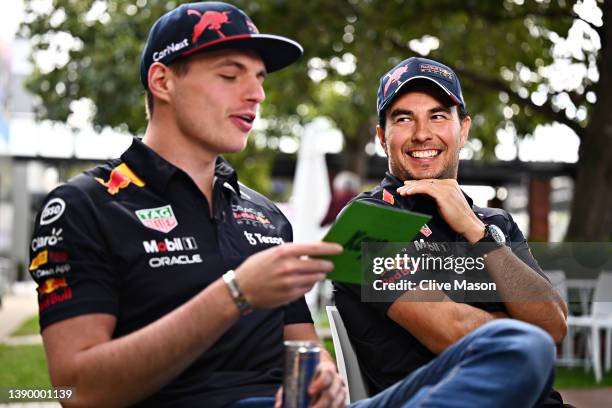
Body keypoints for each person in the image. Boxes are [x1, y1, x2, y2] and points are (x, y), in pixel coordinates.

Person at [28, 3, 560, 406]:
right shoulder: (84, 205)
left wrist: (321, 380)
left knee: (522, 348)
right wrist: (235, 294)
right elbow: (75, 390)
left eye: (259, 78)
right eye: (231, 74)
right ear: (162, 81)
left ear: (464, 129)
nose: (257, 94)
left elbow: (305, 355)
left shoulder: (262, 217)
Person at [333, 57, 570, 407]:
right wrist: (520, 319)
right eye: (403, 118)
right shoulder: (364, 221)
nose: (422, 133)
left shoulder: (495, 224)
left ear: (464, 130)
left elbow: (554, 326)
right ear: (383, 137)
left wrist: (476, 231)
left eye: (438, 116)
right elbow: (452, 332)